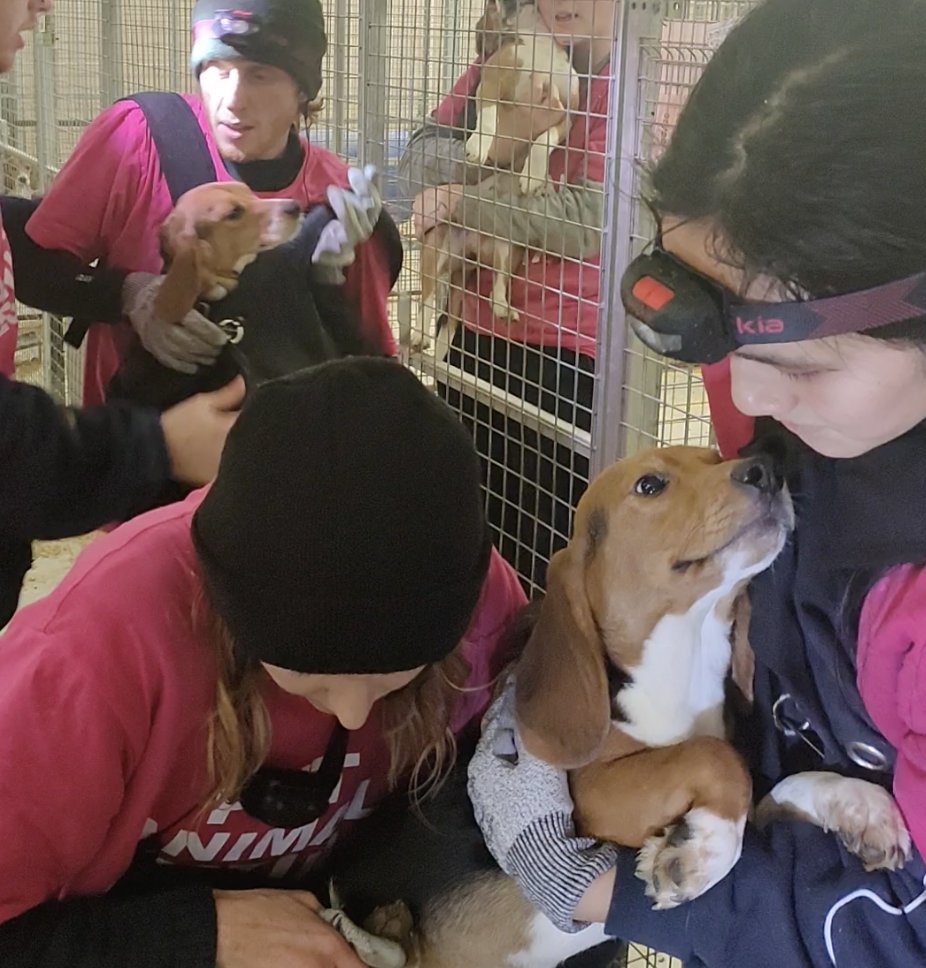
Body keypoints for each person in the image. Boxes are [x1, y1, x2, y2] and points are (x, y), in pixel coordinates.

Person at [467, 1, 926, 966]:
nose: (744, 397)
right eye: (714, 328)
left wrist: (600, 889)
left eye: (800, 355)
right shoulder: (809, 423)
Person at [0, 356, 527, 968]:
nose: (355, 715)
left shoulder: (481, 605)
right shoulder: (98, 650)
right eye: (311, 679)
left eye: (395, 676)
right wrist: (198, 936)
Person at [13, 0, 402, 408]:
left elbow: (369, 364)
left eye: (260, 74)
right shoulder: (137, 137)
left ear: (303, 90)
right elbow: (34, 266)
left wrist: (324, 289)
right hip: (139, 450)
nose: (234, 98)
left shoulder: (342, 204)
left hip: (278, 453)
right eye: (219, 69)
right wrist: (129, 295)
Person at [0, 0, 241, 626]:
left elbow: (18, 235)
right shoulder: (139, 133)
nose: (41, 6)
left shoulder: (325, 180)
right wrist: (154, 446)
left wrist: (121, 288)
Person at [399, 0, 614, 590]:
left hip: (566, 353)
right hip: (472, 334)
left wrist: (463, 202)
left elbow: (592, 220)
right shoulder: (499, 60)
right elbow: (419, 161)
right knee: (462, 535)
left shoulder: (631, 87)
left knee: (548, 553)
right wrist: (505, 141)